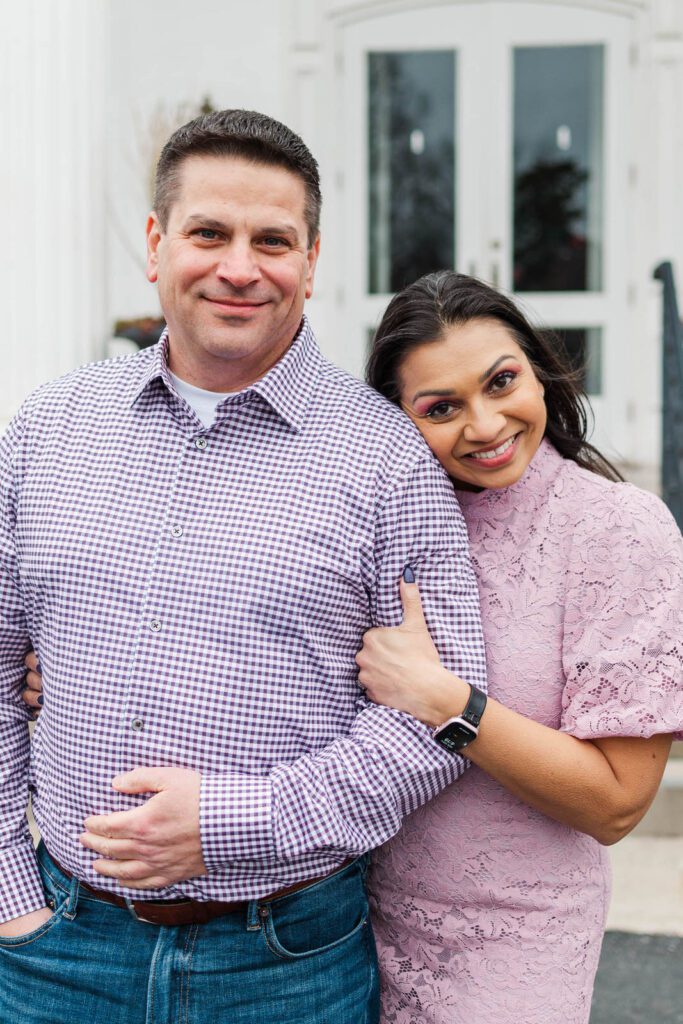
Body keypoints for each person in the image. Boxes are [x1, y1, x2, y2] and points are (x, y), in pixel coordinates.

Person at [0, 113, 487, 1024]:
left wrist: (231, 824)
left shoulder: (386, 460)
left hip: (283, 963)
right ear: (156, 244)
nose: (238, 267)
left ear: (310, 260)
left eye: (272, 240)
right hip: (54, 951)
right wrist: (7, 892)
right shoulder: (46, 430)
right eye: (208, 233)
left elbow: (436, 717)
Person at [356, 271, 683, 1024]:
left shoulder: (617, 530)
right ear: (400, 422)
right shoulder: (383, 525)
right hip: (353, 925)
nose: (483, 424)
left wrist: (450, 703)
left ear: (537, 370)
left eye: (500, 381)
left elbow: (615, 803)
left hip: (516, 945)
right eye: (441, 407)